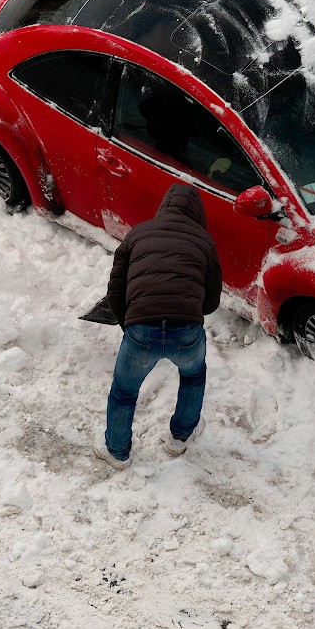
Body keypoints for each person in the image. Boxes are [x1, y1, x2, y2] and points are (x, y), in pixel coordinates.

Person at [95, 182, 223, 467]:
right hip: (187, 330)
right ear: (197, 213)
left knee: (124, 391)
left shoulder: (137, 233)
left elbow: (115, 290)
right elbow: (212, 300)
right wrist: (187, 312)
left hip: (141, 327)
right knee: (193, 377)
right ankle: (179, 439)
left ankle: (117, 453)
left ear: (164, 206)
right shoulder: (204, 241)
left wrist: (128, 324)